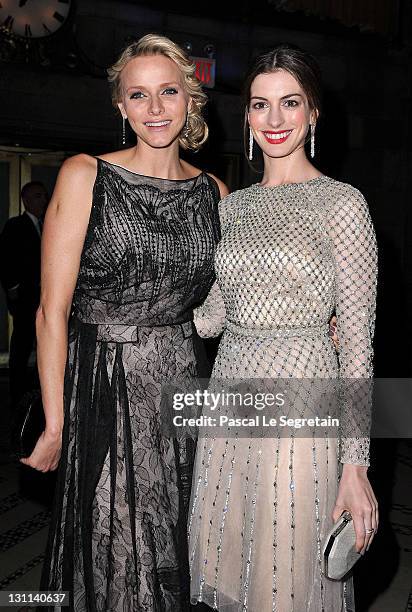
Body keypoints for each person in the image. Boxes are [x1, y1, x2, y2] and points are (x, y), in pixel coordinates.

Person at [20, 34, 227, 611]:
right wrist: (57, 422)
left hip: (185, 387)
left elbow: (229, 303)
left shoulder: (214, 191)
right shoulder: (86, 175)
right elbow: (50, 310)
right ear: (120, 106)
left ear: (190, 98)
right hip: (104, 386)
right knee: (115, 542)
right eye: (139, 95)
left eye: (168, 92)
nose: (155, 109)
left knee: (176, 538)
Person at [189, 44, 378, 611]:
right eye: (260, 105)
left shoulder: (342, 205)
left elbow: (359, 348)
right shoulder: (232, 207)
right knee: (229, 568)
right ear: (245, 115)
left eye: (290, 104)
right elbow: (210, 318)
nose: (274, 121)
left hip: (302, 400)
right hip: (229, 398)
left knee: (284, 578)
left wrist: (356, 464)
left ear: (313, 113)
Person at [0, 181, 48, 406]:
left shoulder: (47, 224)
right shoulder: (15, 225)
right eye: (38, 196)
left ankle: (39, 389)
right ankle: (17, 393)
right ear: (26, 199)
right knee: (22, 343)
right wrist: (13, 288)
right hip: (26, 296)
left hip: (44, 296)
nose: (44, 200)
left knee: (42, 342)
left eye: (44, 196)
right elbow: (6, 259)